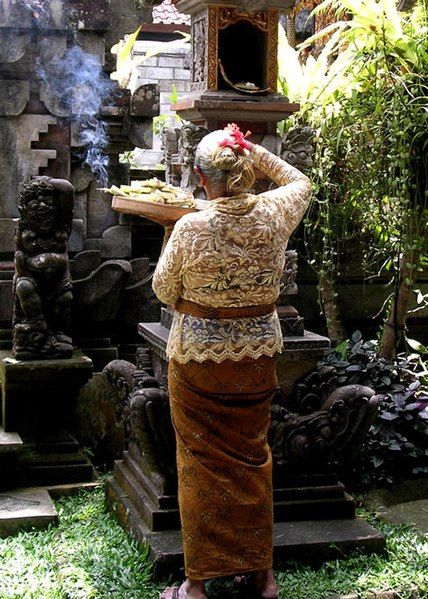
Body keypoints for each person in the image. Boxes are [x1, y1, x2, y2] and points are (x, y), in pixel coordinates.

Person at [153, 124, 312, 599]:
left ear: (203, 180)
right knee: (253, 461)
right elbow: (301, 181)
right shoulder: (274, 214)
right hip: (257, 358)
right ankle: (264, 578)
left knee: (198, 465)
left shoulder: (189, 227)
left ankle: (197, 586)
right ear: (245, 170)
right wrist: (255, 149)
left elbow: (163, 290)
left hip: (199, 360)